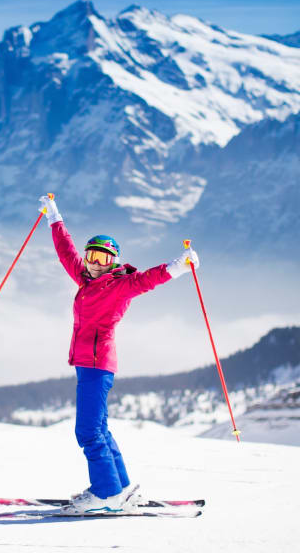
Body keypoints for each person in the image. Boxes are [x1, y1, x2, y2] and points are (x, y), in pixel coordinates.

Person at [38, 194, 199, 514]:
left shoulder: (119, 285)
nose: (96, 263)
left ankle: (106, 493)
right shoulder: (84, 278)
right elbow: (65, 252)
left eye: (104, 258)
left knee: (87, 430)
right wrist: (54, 218)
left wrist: (178, 267)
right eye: (92, 256)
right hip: (88, 365)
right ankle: (121, 488)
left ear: (114, 262)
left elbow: (148, 279)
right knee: (99, 428)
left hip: (97, 365)